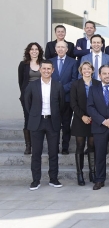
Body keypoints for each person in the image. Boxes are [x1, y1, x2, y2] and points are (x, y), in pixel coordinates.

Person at [24, 60, 64, 190]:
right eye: (44, 68)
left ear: (53, 70)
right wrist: (35, 115)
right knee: (36, 153)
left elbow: (62, 105)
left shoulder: (58, 86)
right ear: (40, 70)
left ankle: (53, 178)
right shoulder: (32, 85)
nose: (46, 71)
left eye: (49, 69)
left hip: (53, 122)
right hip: (37, 122)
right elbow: (27, 103)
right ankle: (36, 180)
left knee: (53, 152)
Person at [70, 61, 100, 186]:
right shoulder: (75, 84)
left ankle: (92, 173)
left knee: (92, 147)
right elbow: (73, 103)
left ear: (93, 70)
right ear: (81, 70)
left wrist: (94, 116)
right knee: (80, 147)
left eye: (89, 68)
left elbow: (101, 102)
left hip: (94, 120)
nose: (86, 70)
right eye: (84, 68)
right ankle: (80, 174)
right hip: (80, 119)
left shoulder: (98, 84)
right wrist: (82, 116)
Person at [50, 41, 78, 155]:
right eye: (58, 47)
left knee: (66, 124)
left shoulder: (73, 62)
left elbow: (74, 79)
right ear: (55, 49)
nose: (61, 49)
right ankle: (55, 146)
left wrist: (60, 89)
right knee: (54, 124)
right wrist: (56, 90)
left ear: (67, 49)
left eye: (63, 47)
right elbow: (47, 78)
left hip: (67, 98)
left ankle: (65, 147)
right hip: (53, 98)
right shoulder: (50, 62)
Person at [18, 42, 44, 155]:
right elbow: (21, 81)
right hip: (27, 96)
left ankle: (38, 144)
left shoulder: (43, 63)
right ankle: (28, 146)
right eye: (32, 49)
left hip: (42, 95)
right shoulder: (23, 64)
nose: (34, 51)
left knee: (40, 119)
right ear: (29, 51)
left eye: (36, 49)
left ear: (39, 51)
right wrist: (25, 95)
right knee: (28, 119)